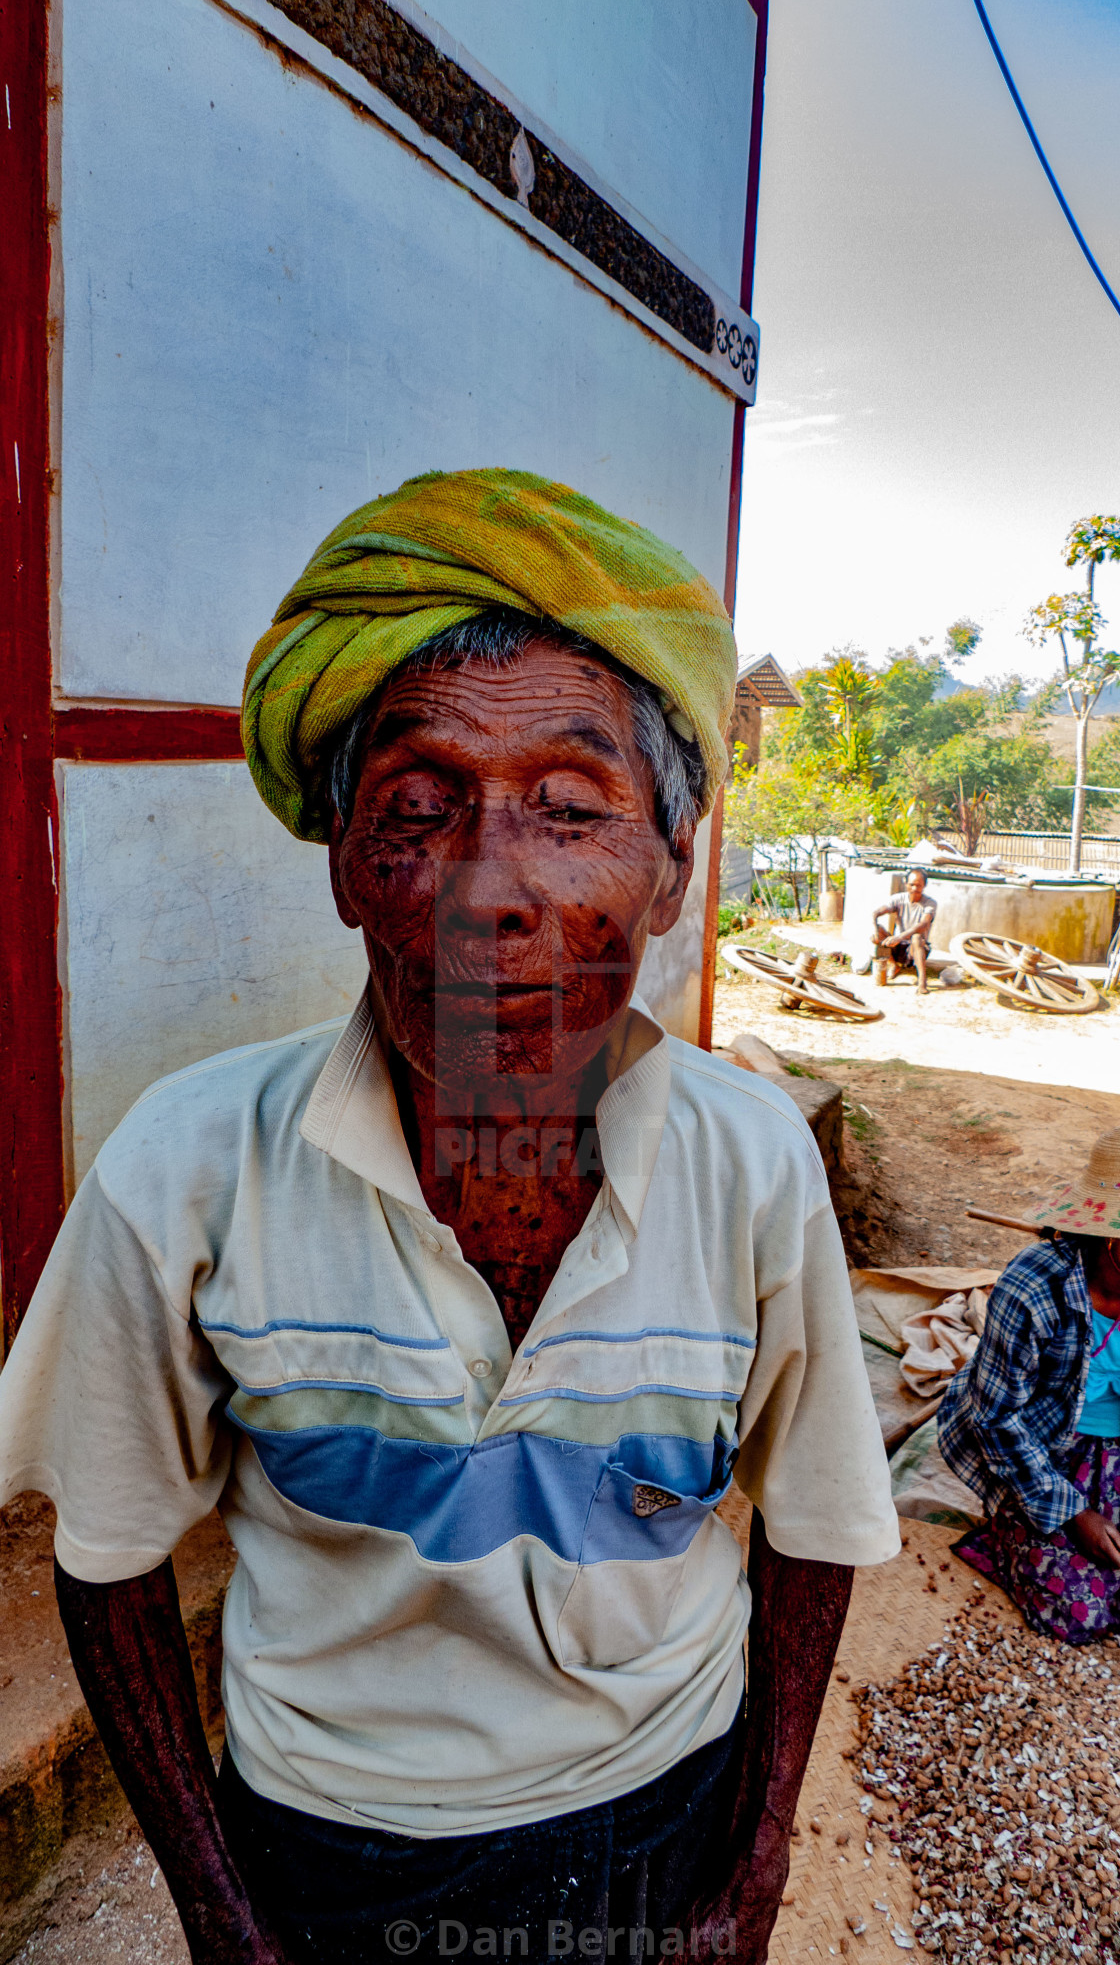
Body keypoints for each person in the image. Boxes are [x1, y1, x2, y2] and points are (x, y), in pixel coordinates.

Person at [0, 470, 899, 1965]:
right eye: (421, 810)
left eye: (570, 809)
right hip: (334, 1829)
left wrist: (754, 1873)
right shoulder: (191, 1167)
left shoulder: (750, 1163)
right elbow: (105, 1554)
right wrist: (226, 1920)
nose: (494, 886)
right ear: (352, 866)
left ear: (672, 872)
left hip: (667, 1793)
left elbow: (816, 1519)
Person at [939, 1127, 1120, 1644]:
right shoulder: (1035, 1286)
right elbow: (995, 1418)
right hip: (1037, 1448)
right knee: (1078, 1609)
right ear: (1109, 1242)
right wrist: (1074, 1511)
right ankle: (1006, 1529)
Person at [869, 869, 936, 995]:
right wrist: (875, 928)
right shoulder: (898, 899)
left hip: (916, 948)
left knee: (916, 937)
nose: (915, 888)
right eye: (912, 884)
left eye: (919, 885)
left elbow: (924, 924)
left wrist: (900, 937)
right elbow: (877, 912)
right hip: (898, 947)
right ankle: (893, 964)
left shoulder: (930, 903)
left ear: (924, 886)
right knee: (877, 933)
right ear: (906, 883)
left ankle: (922, 981)